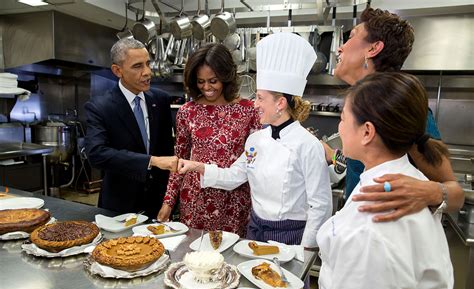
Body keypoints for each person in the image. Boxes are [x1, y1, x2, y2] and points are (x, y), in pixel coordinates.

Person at [178, 33, 332, 249]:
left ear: (280, 103)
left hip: (291, 236)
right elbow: (234, 176)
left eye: (260, 97)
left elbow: (321, 205)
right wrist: (198, 167)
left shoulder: (308, 145)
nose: (254, 104)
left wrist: (305, 251)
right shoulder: (255, 140)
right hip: (254, 230)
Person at [317, 72, 453, 289]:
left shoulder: (373, 223)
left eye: (343, 118)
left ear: (367, 132)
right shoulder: (400, 178)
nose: (339, 126)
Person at [322, 7, 464, 221]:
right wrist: (334, 156)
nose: (340, 48)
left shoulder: (397, 107)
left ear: (373, 48)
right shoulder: (360, 105)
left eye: (350, 37)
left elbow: (455, 195)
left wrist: (429, 191)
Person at [156, 43, 261, 236]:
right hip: (196, 199)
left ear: (226, 77)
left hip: (235, 199)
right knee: (194, 258)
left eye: (213, 81)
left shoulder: (249, 111)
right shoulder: (187, 112)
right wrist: (168, 203)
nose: (206, 88)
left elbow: (254, 163)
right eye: (200, 81)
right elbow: (178, 161)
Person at [84, 38, 177, 218]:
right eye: (137, 66)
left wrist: (170, 200)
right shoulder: (100, 107)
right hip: (119, 206)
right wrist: (151, 161)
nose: (147, 72)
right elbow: (97, 153)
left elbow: (167, 150)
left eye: (148, 64)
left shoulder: (161, 100)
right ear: (117, 70)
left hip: (157, 204)